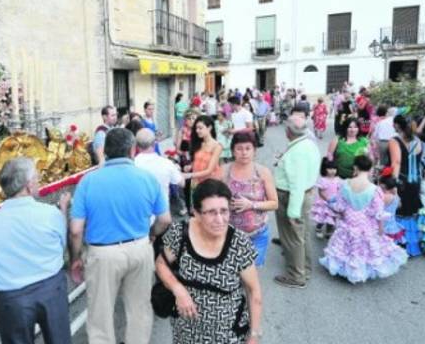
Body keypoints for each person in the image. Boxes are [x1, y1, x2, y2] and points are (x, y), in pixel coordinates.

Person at [69, 128, 172, 344]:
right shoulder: (147, 179)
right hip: (139, 247)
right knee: (139, 309)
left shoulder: (88, 181)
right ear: (132, 150)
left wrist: (75, 258)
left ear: (105, 151)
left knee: (100, 314)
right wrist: (152, 235)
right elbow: (165, 219)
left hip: (102, 254)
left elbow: (76, 229)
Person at [0, 158, 71, 343]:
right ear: (29, 186)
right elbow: (61, 246)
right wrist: (63, 210)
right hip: (52, 290)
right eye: (37, 179)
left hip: (12, 301)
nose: (39, 182)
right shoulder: (50, 214)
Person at [155, 179, 263, 344]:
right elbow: (161, 264)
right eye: (212, 212)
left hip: (228, 334)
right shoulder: (180, 233)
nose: (220, 219)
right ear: (196, 213)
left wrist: (254, 335)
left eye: (224, 211)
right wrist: (178, 289)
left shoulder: (239, 243)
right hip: (186, 331)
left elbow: (253, 291)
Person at [319, 156, 408, 283]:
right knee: (364, 249)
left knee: (345, 246)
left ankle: (346, 269)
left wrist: (341, 213)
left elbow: (339, 206)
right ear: (370, 169)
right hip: (366, 223)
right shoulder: (374, 190)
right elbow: (378, 212)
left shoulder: (344, 184)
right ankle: (359, 270)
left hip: (348, 221)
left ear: (355, 167)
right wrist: (381, 229)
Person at [273, 115, 321, 289]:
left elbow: (297, 184)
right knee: (301, 236)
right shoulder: (307, 144)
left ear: (288, 131)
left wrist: (292, 212)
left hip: (293, 198)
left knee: (293, 237)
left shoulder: (299, 151)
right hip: (303, 195)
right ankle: (304, 270)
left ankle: (296, 275)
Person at [223, 133, 279, 266]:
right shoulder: (223, 172)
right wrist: (226, 205)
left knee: (252, 271)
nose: (244, 153)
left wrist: (251, 205)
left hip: (258, 234)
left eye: (248, 148)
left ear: (254, 151)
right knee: (232, 270)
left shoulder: (263, 172)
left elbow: (274, 203)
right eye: (239, 148)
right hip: (230, 234)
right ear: (232, 151)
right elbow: (212, 199)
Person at [389, 115, 425, 257]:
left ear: (398, 125)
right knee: (409, 213)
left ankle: (396, 246)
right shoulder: (418, 141)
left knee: (397, 212)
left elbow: (396, 163)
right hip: (415, 181)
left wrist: (394, 186)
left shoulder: (395, 141)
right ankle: (411, 246)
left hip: (402, 181)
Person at [135, 128, 186, 216]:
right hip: (162, 214)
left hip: (139, 214)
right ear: (155, 143)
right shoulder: (166, 163)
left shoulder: (131, 164)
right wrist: (177, 170)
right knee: (176, 227)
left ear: (137, 145)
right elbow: (182, 183)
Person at [185, 115, 223, 187]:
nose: (197, 131)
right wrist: (190, 166)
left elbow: (209, 170)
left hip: (210, 184)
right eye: (196, 128)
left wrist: (188, 175)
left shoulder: (217, 146)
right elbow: (198, 161)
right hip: (196, 182)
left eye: (200, 128)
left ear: (209, 128)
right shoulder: (198, 143)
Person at [311, 159, 342, 239]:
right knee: (322, 217)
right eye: (330, 168)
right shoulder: (323, 180)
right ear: (325, 169)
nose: (332, 171)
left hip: (334, 202)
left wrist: (338, 199)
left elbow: (339, 190)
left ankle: (329, 231)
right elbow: (320, 192)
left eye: (334, 169)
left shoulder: (337, 179)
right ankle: (319, 228)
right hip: (324, 202)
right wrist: (326, 199)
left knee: (332, 218)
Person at [378, 173, 405, 244]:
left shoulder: (384, 197)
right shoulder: (395, 196)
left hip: (383, 226)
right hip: (392, 226)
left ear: (383, 186)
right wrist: (396, 193)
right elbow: (399, 205)